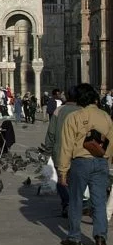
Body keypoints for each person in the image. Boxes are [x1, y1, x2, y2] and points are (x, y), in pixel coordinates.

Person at [58, 83, 113, 245]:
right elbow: (111, 143)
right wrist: (107, 162)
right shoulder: (105, 116)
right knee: (98, 202)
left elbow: (66, 146)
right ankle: (100, 238)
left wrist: (62, 170)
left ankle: (74, 236)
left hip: (80, 162)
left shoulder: (73, 117)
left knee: (75, 200)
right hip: (101, 161)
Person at [45, 84, 80, 219]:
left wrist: (48, 149)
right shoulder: (82, 111)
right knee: (75, 179)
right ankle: (76, 203)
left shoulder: (59, 111)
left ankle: (66, 203)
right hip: (77, 152)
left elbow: (51, 132)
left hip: (59, 151)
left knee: (61, 178)